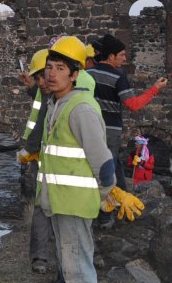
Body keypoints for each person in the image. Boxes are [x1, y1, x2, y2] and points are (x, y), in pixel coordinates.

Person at [38, 36, 143, 282]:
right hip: (59, 200)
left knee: (78, 271)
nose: (52, 74)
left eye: (61, 69)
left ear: (75, 75)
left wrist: (107, 192)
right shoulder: (57, 103)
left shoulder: (80, 109)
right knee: (68, 265)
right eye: (49, 67)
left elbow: (104, 162)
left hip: (74, 203)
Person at [88, 34, 166, 226]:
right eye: (122, 55)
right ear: (111, 56)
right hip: (111, 130)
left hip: (91, 127)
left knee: (108, 166)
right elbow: (133, 104)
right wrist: (155, 88)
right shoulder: (118, 76)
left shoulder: (87, 73)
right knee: (108, 171)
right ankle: (105, 218)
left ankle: (119, 199)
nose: (125, 58)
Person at [16, 49, 52, 274]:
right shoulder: (47, 93)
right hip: (45, 162)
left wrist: (27, 149)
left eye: (42, 77)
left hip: (64, 169)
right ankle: (41, 259)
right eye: (37, 78)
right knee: (41, 208)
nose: (40, 82)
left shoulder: (75, 103)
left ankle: (44, 259)